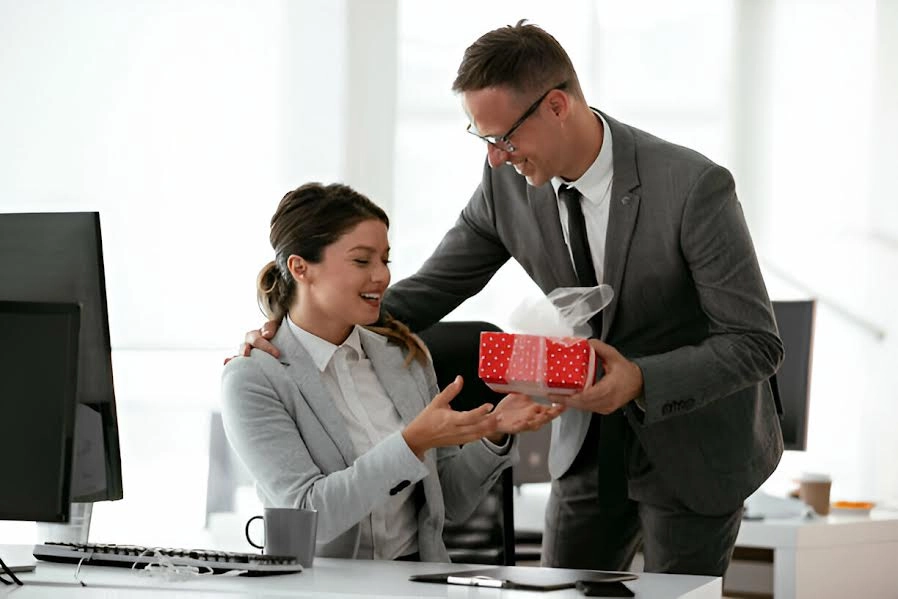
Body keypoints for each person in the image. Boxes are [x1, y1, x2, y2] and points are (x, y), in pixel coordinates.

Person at [242, 22, 784, 576]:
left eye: (503, 138)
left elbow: (756, 343)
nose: (497, 157)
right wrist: (294, 333)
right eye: (485, 141)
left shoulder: (693, 188)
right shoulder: (506, 185)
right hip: (586, 446)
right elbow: (430, 289)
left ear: (556, 106)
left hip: (692, 442)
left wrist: (640, 379)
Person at [222, 182, 562, 562]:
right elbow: (307, 513)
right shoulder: (253, 379)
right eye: (361, 260)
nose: (382, 276)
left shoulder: (406, 358)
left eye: (385, 260)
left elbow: (450, 503)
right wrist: (411, 443)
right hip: (323, 588)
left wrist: (493, 431)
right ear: (300, 268)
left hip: (416, 580)